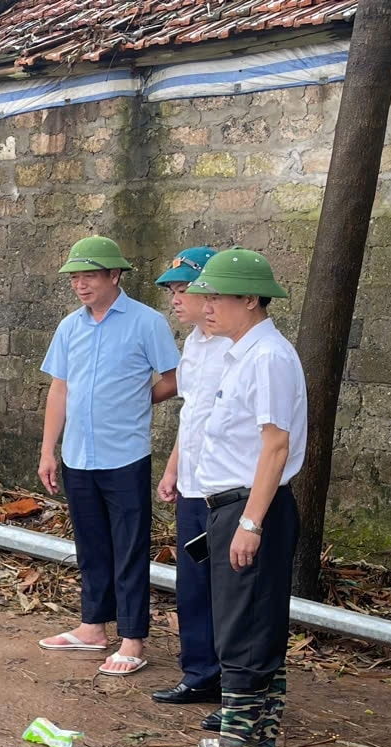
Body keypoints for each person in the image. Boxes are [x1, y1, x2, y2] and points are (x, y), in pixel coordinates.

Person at [181, 248, 306, 747]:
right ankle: (259, 739)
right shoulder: (242, 353)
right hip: (234, 505)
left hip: (253, 507)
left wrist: (251, 523)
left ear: (250, 299)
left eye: (217, 297)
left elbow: (275, 447)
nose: (206, 307)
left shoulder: (268, 358)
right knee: (255, 624)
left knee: (242, 632)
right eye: (204, 296)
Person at [37, 236, 180, 676]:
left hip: (125, 456)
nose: (81, 285)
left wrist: (137, 400)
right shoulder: (69, 328)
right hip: (79, 455)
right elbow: (59, 388)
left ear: (114, 276)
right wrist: (48, 451)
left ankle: (132, 638)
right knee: (91, 546)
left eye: (90, 276)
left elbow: (175, 379)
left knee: (129, 548)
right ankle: (91, 626)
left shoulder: (146, 322)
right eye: (75, 277)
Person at [152, 247, 227, 708]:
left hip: (226, 489)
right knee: (192, 583)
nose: (175, 299)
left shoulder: (235, 345)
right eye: (173, 291)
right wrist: (174, 467)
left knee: (228, 589)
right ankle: (199, 672)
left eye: (184, 289)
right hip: (194, 485)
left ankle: (234, 684)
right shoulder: (196, 342)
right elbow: (192, 414)